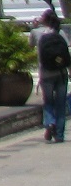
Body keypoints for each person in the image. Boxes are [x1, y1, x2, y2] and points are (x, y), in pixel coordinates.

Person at [35, 10, 70, 142]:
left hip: (46, 73)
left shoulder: (38, 33)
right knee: (61, 104)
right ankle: (59, 135)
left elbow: (35, 51)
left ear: (44, 20)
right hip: (61, 73)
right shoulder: (60, 33)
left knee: (48, 101)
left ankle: (50, 122)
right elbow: (67, 53)